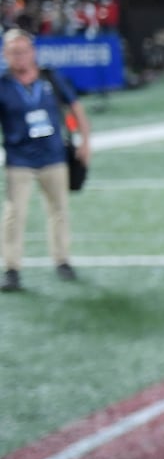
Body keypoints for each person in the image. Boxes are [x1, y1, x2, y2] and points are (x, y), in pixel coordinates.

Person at [1, 28, 90, 292]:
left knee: (59, 211)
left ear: (33, 52)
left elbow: (74, 108)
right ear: (6, 55)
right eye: (14, 52)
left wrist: (84, 139)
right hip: (20, 160)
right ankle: (12, 268)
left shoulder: (51, 78)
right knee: (14, 215)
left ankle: (62, 260)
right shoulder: (3, 85)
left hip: (54, 155)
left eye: (24, 51)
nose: (20, 57)